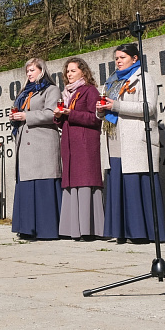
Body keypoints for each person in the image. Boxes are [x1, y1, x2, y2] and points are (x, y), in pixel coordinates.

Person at [97, 43, 165, 244]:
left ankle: (141, 232)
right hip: (114, 139)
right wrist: (101, 110)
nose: (118, 61)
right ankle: (122, 231)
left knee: (136, 185)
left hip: (135, 140)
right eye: (116, 58)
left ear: (135, 59)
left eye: (122, 58)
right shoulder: (110, 82)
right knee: (118, 186)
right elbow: (104, 109)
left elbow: (149, 108)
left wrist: (115, 105)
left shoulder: (144, 78)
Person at [8, 58, 62, 241]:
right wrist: (15, 116)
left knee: (43, 186)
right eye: (27, 71)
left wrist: (26, 115)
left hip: (43, 144)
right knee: (27, 187)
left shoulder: (51, 89)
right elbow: (21, 114)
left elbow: (52, 113)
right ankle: (27, 228)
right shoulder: (24, 93)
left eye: (32, 70)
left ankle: (46, 230)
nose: (29, 73)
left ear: (42, 70)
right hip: (25, 144)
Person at [53, 57, 104, 241]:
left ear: (83, 71)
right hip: (70, 144)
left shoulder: (90, 91)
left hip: (85, 144)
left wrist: (70, 113)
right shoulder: (68, 93)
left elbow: (95, 118)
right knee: (71, 184)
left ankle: (89, 229)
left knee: (84, 182)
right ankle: (71, 228)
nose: (69, 74)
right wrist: (59, 116)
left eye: (73, 70)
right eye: (67, 71)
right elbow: (64, 120)